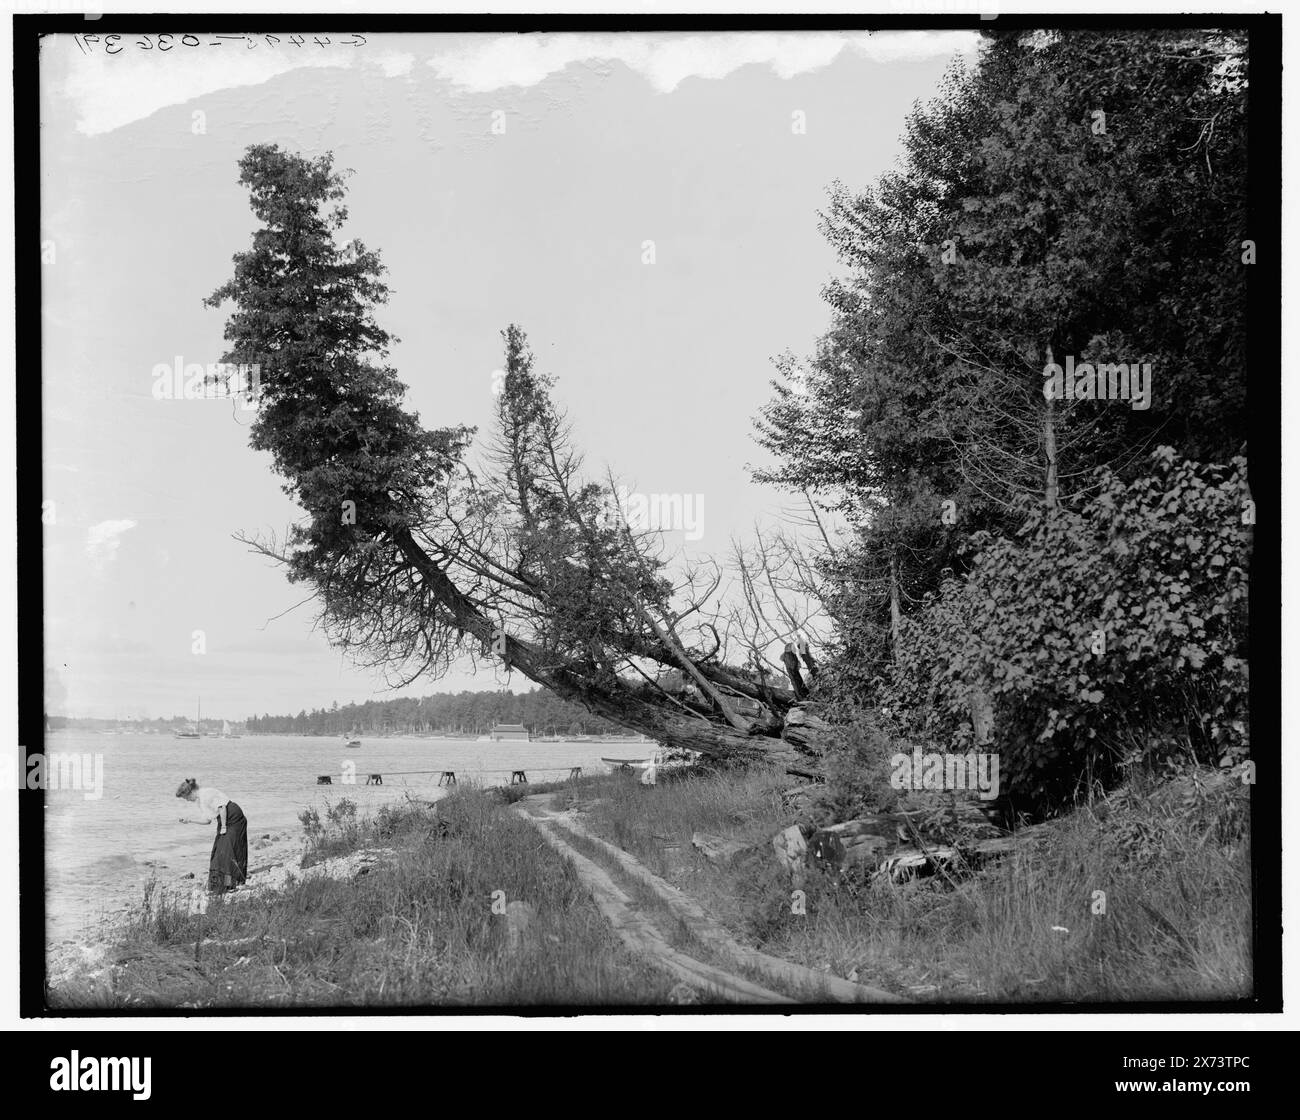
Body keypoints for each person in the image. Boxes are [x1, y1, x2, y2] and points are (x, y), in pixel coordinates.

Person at [176, 778, 248, 894]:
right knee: (218, 852)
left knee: (228, 851)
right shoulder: (200, 802)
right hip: (223, 820)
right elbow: (207, 820)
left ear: (190, 792)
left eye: (186, 798)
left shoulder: (206, 793)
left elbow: (222, 807)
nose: (187, 801)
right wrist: (189, 820)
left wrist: (224, 826)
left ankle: (233, 883)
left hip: (233, 817)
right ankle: (221, 885)